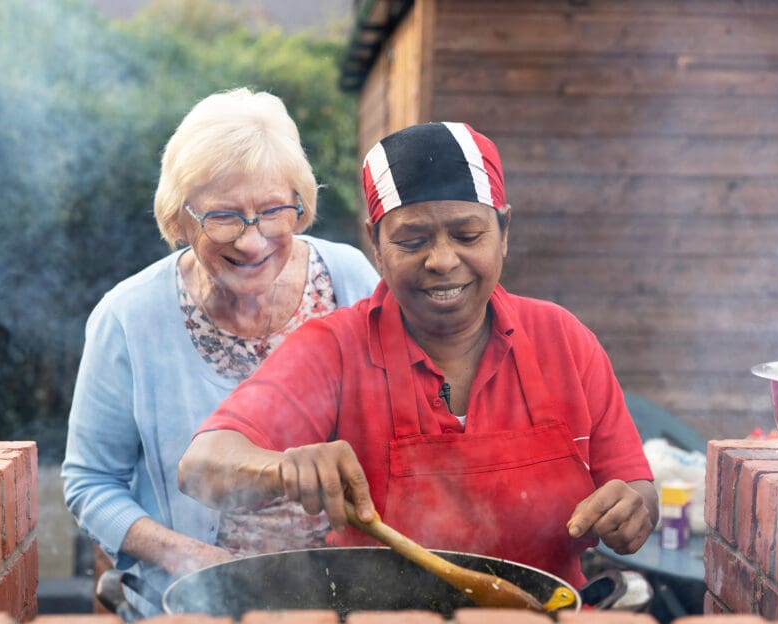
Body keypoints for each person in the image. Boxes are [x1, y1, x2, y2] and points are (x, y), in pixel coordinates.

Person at [178, 121, 657, 589]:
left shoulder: (563, 341)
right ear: (377, 247)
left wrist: (634, 510)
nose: (443, 261)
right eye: (413, 240)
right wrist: (282, 469)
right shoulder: (337, 349)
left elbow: (637, 488)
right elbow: (201, 466)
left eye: (468, 236)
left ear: (504, 231)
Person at [61, 88, 380, 602]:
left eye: (273, 210)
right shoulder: (129, 318)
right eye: (224, 216)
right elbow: (90, 484)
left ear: (300, 206)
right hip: (193, 604)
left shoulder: (349, 280)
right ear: (180, 217)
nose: (252, 242)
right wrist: (187, 556)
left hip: (344, 593)